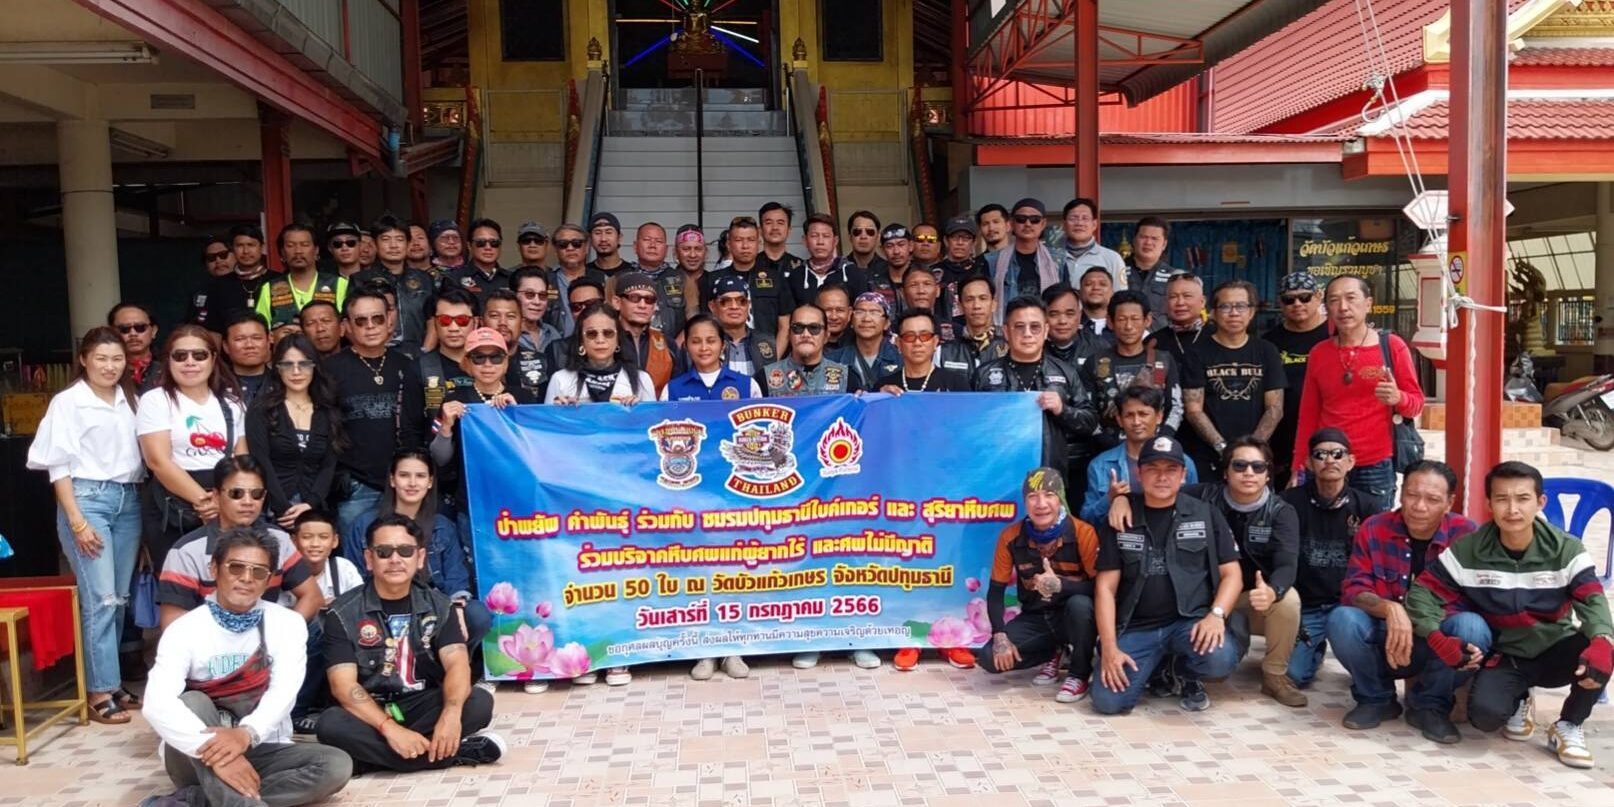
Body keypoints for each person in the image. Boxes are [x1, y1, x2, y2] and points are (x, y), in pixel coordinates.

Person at [1408, 461, 1610, 761]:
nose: (1512, 509)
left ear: (1540, 502)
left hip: (1555, 648)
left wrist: (1602, 639)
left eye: (1523, 498)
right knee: (1485, 717)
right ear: (1489, 504)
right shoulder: (1469, 549)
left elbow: (1592, 600)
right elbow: (1422, 593)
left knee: (1603, 649)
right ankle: (1520, 698)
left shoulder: (1566, 550)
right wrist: (1436, 637)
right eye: (1502, 499)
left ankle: (1569, 724)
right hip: (1505, 656)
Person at [139, 527, 351, 807]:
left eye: (259, 572)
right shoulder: (184, 630)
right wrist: (220, 755)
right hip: (194, 755)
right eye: (236, 567)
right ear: (214, 569)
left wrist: (245, 734)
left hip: (258, 745)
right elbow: (157, 703)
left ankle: (195, 800)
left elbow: (284, 691)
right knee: (193, 702)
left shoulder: (287, 624)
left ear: (269, 579)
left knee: (335, 765)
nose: (246, 578)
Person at [1113, 437, 1305, 707]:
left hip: (1251, 598)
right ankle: (1177, 663)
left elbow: (1287, 565)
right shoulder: (1202, 496)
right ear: (1226, 472)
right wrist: (1122, 499)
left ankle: (1274, 676)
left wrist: (1273, 591)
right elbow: (1159, 490)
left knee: (1288, 600)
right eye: (1239, 465)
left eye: (1258, 467)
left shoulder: (1281, 511)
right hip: (1206, 598)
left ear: (1268, 474)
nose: (1249, 473)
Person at [315, 514, 504, 772]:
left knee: (478, 702)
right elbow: (343, 686)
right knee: (331, 724)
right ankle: (451, 754)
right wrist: (390, 729)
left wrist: (450, 715)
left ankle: (368, 761)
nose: (395, 559)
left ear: (420, 557)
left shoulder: (440, 605)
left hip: (421, 704)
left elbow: (458, 665)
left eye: (405, 551)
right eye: (384, 552)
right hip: (371, 710)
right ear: (369, 559)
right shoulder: (342, 612)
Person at [27, 326, 146, 724]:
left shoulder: (130, 398)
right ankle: (98, 691)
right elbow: (57, 466)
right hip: (87, 499)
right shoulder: (69, 401)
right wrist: (77, 521)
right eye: (101, 358)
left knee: (119, 598)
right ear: (84, 360)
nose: (110, 366)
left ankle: (111, 681)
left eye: (117, 359)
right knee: (100, 599)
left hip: (128, 499)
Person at [1090, 435, 1243, 715]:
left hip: (1188, 623)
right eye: (1153, 469)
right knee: (1108, 702)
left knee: (1219, 658)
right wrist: (1110, 647)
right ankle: (1156, 667)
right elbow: (1105, 589)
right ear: (1139, 473)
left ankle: (1181, 670)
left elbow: (1232, 574)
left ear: (1183, 475)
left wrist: (1216, 615)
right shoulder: (1121, 517)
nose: (1162, 477)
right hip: (1137, 627)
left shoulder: (1205, 514)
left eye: (1171, 469)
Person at [1326, 460, 1480, 736]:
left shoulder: (1466, 534)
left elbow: (1473, 599)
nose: (1419, 506)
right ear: (1400, 493)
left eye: (1432, 499)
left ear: (1449, 503)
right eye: (1412, 495)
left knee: (1473, 627)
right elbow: (1354, 589)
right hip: (1386, 637)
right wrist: (1391, 609)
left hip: (1439, 640)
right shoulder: (1375, 527)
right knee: (1342, 619)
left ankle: (1430, 706)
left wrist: (1419, 621)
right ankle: (1376, 699)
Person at [346, 453, 489, 686]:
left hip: (433, 606)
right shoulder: (364, 525)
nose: (412, 483)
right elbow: (354, 580)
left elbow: (456, 578)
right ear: (392, 479)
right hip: (380, 607)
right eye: (404, 475)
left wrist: (457, 609)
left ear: (430, 482)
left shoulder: (442, 526)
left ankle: (453, 674)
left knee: (477, 614)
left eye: (420, 476)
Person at [1292, 274, 1424, 504]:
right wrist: (1299, 463)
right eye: (1334, 300)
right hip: (1327, 461)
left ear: (1368, 304)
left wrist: (1398, 398)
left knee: (1373, 527)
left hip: (1375, 464)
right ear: (1327, 308)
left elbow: (1416, 404)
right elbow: (1308, 413)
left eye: (1351, 298)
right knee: (1323, 525)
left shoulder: (1392, 346)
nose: (1343, 307)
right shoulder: (1319, 353)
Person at [976, 468, 1100, 701]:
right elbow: (995, 593)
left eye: (1049, 495)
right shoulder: (1011, 536)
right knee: (989, 658)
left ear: (1060, 498)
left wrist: (1061, 585)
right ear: (1025, 502)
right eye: (1033, 497)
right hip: (1037, 617)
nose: (1041, 504)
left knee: (1080, 605)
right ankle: (1051, 653)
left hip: (1073, 617)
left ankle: (1079, 673)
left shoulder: (1083, 533)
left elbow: (1102, 588)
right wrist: (1000, 636)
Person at [157, 454, 320, 629]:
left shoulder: (279, 539)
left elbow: (312, 596)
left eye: (256, 494)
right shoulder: (186, 552)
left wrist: (282, 635)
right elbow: (172, 624)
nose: (248, 502)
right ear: (216, 496)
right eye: (236, 493)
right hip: (209, 642)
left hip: (266, 639)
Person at [1279, 428, 1384, 692]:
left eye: (1338, 454)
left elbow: (1379, 563)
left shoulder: (1368, 507)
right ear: (1308, 462)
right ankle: (1314, 649)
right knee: (1293, 675)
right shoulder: (1288, 502)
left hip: (1350, 607)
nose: (1329, 460)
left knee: (1372, 665)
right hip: (1307, 606)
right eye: (1320, 454)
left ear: (1351, 461)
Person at [138, 325, 247, 568]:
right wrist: (204, 502)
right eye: (180, 356)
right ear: (168, 361)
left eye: (199, 355)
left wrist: (227, 502)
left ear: (213, 359)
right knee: (177, 582)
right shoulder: (156, 400)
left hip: (224, 499)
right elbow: (158, 461)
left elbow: (242, 460)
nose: (190, 362)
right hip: (173, 504)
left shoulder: (232, 403)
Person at [325, 288, 426, 533]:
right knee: (356, 550)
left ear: (389, 320)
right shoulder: (330, 369)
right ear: (347, 326)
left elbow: (417, 424)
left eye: (377, 318)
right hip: (356, 485)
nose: (370, 326)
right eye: (361, 320)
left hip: (403, 484)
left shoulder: (408, 366)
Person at [972, 297, 1098, 477]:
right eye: (1019, 327)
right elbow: (970, 427)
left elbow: (1090, 422)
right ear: (1006, 331)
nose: (1027, 334)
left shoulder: (1065, 372)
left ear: (1046, 331)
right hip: (998, 473)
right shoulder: (984, 374)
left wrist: (1062, 410)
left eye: (1035, 327)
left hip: (1049, 474)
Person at [1181, 280, 1285, 475]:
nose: (1234, 313)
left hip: (1256, 460)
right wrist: (1223, 448)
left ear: (1252, 312)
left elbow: (1275, 408)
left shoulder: (1267, 351)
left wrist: (1252, 450)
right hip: (1209, 456)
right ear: (1213, 312)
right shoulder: (1196, 353)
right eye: (1225, 306)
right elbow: (1193, 410)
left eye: (1241, 306)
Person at [246, 335, 344, 530]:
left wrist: (310, 504)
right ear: (278, 368)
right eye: (287, 365)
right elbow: (261, 462)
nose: (296, 372)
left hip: (315, 510)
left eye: (304, 364)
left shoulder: (327, 410)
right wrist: (283, 508)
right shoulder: (262, 409)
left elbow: (329, 465)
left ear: (315, 366)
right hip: (270, 509)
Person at [288, 509, 363, 732]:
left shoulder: (342, 568)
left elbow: (361, 606)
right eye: (307, 537)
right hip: (298, 646)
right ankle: (297, 711)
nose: (315, 544)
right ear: (293, 540)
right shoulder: (284, 570)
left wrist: (337, 606)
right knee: (320, 627)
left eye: (323, 537)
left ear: (335, 541)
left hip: (340, 645)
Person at [1079, 386, 1198, 524]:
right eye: (1129, 415)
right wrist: (1110, 498)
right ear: (1119, 420)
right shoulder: (1100, 465)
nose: (1136, 422)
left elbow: (1196, 512)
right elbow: (1087, 519)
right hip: (1121, 535)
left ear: (1159, 417)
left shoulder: (1183, 462)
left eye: (1143, 414)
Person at [1081, 290, 1182, 446]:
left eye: (1135, 319)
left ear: (1147, 320)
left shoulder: (1163, 360)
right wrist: (1109, 445)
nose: (1128, 326)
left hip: (1156, 448)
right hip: (1108, 449)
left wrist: (1159, 441)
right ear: (1110, 321)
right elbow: (1087, 411)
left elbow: (1175, 407)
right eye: (1122, 319)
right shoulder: (1094, 362)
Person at [1263, 272, 1330, 488]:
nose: (1297, 304)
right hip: (1283, 442)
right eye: (1289, 300)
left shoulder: (1336, 334)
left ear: (1318, 297)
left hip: (1328, 436)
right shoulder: (1269, 342)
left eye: (1305, 297)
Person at [547, 301, 656, 411]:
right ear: (581, 341)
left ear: (618, 339)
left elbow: (653, 420)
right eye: (591, 334)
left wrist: (638, 410)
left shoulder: (642, 380)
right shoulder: (560, 380)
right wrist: (559, 412)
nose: (600, 340)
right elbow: (546, 421)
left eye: (608, 333)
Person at [701, 216, 790, 347]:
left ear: (759, 244)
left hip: (768, 351)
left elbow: (785, 326)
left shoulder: (775, 278)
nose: (745, 246)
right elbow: (705, 324)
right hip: (724, 352)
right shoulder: (713, 279)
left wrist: (772, 358)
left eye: (751, 240)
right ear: (729, 244)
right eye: (738, 240)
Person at [352, 216, 436, 348]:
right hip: (376, 352)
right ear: (375, 244)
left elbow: (434, 321)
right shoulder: (360, 279)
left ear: (408, 243)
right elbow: (351, 323)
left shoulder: (425, 279)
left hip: (418, 352)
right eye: (386, 239)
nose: (393, 245)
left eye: (400, 239)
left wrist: (425, 351)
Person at [255, 223, 346, 336]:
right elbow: (261, 331)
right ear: (282, 252)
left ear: (316, 250)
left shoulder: (338, 284)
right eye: (290, 245)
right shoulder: (269, 289)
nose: (298, 251)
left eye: (305, 245)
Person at [988, 199, 1064, 323]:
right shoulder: (993, 261)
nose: (1028, 224)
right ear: (1012, 223)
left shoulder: (1059, 260)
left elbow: (1065, 299)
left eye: (1035, 220)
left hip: (1047, 328)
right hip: (1007, 328)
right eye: (1021, 219)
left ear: (1043, 224)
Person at [763, 303, 860, 398]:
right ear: (789, 334)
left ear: (826, 336)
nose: (806, 334)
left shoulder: (847, 378)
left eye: (814, 328)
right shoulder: (765, 377)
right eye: (798, 328)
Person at [662, 315, 763, 401]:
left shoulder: (748, 385)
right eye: (696, 342)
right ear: (686, 346)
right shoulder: (672, 389)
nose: (704, 348)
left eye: (711, 341)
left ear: (723, 345)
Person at [615, 271, 684, 396]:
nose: (642, 305)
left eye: (649, 300)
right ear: (617, 302)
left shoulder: (668, 345)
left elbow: (678, 392)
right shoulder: (603, 339)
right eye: (634, 298)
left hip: (658, 408)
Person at [418, 288, 480, 426]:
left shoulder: (493, 363)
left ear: (476, 322)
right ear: (434, 323)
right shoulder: (419, 367)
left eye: (462, 320)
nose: (453, 328)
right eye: (445, 320)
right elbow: (410, 428)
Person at [784, 213, 868, 315]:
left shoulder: (853, 274)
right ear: (805, 240)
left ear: (835, 241)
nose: (820, 242)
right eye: (814, 236)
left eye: (826, 236)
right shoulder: (795, 277)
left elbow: (861, 313)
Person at [875, 309, 970, 393]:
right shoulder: (884, 387)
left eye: (925, 336)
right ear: (898, 343)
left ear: (935, 342)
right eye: (910, 336)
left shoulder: (956, 384)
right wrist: (879, 397)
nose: (917, 343)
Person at [707, 274, 775, 388]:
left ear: (748, 305)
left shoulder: (769, 343)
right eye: (725, 301)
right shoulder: (703, 345)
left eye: (741, 301)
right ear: (712, 306)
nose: (734, 307)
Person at [626, 222, 691, 339]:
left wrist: (675, 346)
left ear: (666, 249)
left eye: (659, 241)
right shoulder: (620, 279)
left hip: (673, 346)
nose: (652, 245)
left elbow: (694, 321)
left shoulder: (682, 279)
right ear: (635, 246)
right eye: (647, 240)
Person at [201, 225, 272, 332]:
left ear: (262, 247)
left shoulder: (278, 280)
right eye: (239, 246)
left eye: (251, 245)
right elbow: (212, 329)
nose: (246, 251)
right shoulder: (219, 285)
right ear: (232, 249)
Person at [938, 275, 1007, 376]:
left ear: (993, 304)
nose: (976, 306)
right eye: (969, 299)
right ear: (960, 306)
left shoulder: (1010, 348)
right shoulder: (943, 352)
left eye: (983, 298)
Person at [1051, 198, 1126, 290]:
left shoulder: (1112, 258)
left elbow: (1120, 295)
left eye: (1085, 218)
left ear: (1094, 224)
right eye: (1073, 218)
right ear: (1064, 224)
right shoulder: (1051, 257)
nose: (1079, 223)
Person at [547, 223, 606, 337]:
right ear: (555, 249)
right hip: (554, 345)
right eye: (563, 244)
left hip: (595, 342)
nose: (570, 248)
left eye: (576, 243)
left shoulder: (603, 279)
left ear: (587, 247)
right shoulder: (545, 281)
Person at [832, 292, 899, 391]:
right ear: (851, 321)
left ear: (887, 323)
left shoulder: (900, 358)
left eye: (874, 312)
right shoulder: (833, 360)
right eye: (860, 312)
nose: (866, 319)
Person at [1147, 272, 1212, 369]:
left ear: (1202, 302)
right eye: (1173, 297)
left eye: (1187, 296)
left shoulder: (1218, 336)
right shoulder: (1154, 342)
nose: (1180, 303)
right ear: (1165, 303)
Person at [446, 219, 513, 309]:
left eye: (494, 243)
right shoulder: (454, 279)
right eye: (481, 243)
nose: (488, 247)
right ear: (469, 246)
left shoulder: (512, 279)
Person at [933, 214, 985, 323]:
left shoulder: (982, 270)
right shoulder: (934, 272)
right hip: (942, 328)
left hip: (973, 327)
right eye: (955, 237)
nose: (960, 243)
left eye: (966, 238)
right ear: (946, 241)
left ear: (974, 242)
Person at [1041, 281, 1105, 369]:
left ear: (1080, 315)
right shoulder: (1032, 347)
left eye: (1070, 314)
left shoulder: (1098, 347)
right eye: (1054, 314)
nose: (1063, 321)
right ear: (1043, 316)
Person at [1125, 217, 1175, 321]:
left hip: (1161, 331)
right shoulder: (1117, 270)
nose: (1148, 242)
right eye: (1143, 237)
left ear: (1164, 244)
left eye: (1154, 238)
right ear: (1134, 240)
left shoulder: (1174, 277)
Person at [222, 311, 271, 408]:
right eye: (240, 339)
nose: (249, 345)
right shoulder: (215, 385)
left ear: (268, 342)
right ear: (226, 346)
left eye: (256, 338)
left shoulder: (283, 382)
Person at [110, 302, 162, 392]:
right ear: (112, 332)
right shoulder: (105, 369)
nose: (133, 333)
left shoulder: (170, 367)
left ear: (153, 331)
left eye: (140, 327)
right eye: (124, 329)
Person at [187, 237, 236, 327]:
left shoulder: (248, 287)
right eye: (211, 258)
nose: (218, 260)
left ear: (236, 256)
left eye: (223, 255)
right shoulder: (200, 293)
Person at [866, 224, 913, 313]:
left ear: (911, 246)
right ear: (882, 250)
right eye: (889, 246)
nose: (896, 251)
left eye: (901, 245)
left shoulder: (923, 276)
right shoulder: (871, 280)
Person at [758, 201, 804, 279]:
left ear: (789, 230)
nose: (775, 227)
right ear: (760, 230)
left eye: (780, 223)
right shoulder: (750, 265)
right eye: (769, 223)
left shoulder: (800, 267)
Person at [587, 211, 628, 279]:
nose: (603, 239)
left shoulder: (632, 273)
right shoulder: (583, 273)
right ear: (590, 239)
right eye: (597, 233)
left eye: (609, 232)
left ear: (619, 237)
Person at [845, 210, 887, 274]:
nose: (863, 236)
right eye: (857, 231)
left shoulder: (889, 270)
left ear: (878, 237)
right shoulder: (839, 270)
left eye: (870, 232)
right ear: (850, 237)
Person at [817, 283, 853, 352]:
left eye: (840, 310)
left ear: (849, 313)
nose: (834, 317)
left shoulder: (860, 345)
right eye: (828, 310)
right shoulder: (806, 344)